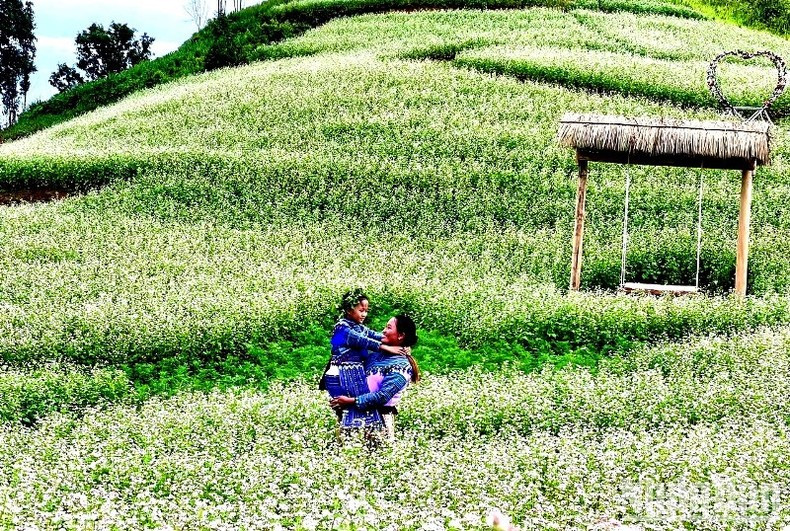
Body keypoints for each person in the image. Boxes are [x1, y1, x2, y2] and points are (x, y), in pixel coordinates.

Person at [319, 289, 407, 432]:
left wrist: (401, 344)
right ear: (349, 310)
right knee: (352, 411)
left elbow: (375, 335)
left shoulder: (359, 327)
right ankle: (355, 435)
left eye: (366, 311)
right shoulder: (341, 327)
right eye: (361, 310)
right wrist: (385, 347)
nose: (364, 314)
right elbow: (361, 340)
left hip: (351, 372)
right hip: (340, 372)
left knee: (355, 412)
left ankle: (355, 437)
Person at [330, 313, 419, 441]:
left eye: (389, 327)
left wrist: (350, 401)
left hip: (379, 423)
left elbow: (382, 396)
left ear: (401, 335)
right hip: (353, 418)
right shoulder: (374, 356)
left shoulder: (402, 366)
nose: (384, 331)